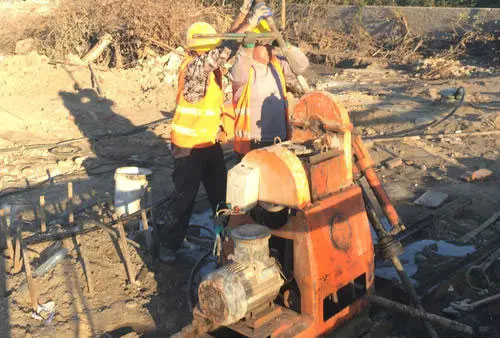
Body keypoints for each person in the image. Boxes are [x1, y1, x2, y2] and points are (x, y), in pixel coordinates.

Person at [160, 1, 273, 263]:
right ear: (202, 50)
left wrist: (244, 13)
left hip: (208, 144)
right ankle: (168, 245)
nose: (216, 53)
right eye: (211, 49)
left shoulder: (205, 64)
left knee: (221, 197)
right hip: (188, 147)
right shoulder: (194, 69)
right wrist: (251, 23)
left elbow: (224, 42)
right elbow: (222, 51)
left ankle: (226, 237)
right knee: (183, 199)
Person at [230, 10, 309, 157]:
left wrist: (286, 45)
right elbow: (237, 70)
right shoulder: (246, 70)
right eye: (265, 44)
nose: (270, 48)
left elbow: (302, 65)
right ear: (253, 46)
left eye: (271, 44)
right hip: (252, 145)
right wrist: (246, 47)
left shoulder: (277, 64)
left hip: (280, 141)